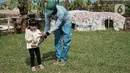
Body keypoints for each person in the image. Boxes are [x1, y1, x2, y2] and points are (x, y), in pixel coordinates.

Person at [43, 1, 72, 66]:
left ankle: (63, 59)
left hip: (66, 23)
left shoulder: (60, 12)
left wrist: (47, 33)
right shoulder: (47, 12)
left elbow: (56, 26)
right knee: (57, 40)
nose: (50, 13)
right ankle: (58, 58)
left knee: (66, 41)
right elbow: (47, 25)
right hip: (57, 22)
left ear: (55, 8)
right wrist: (44, 34)